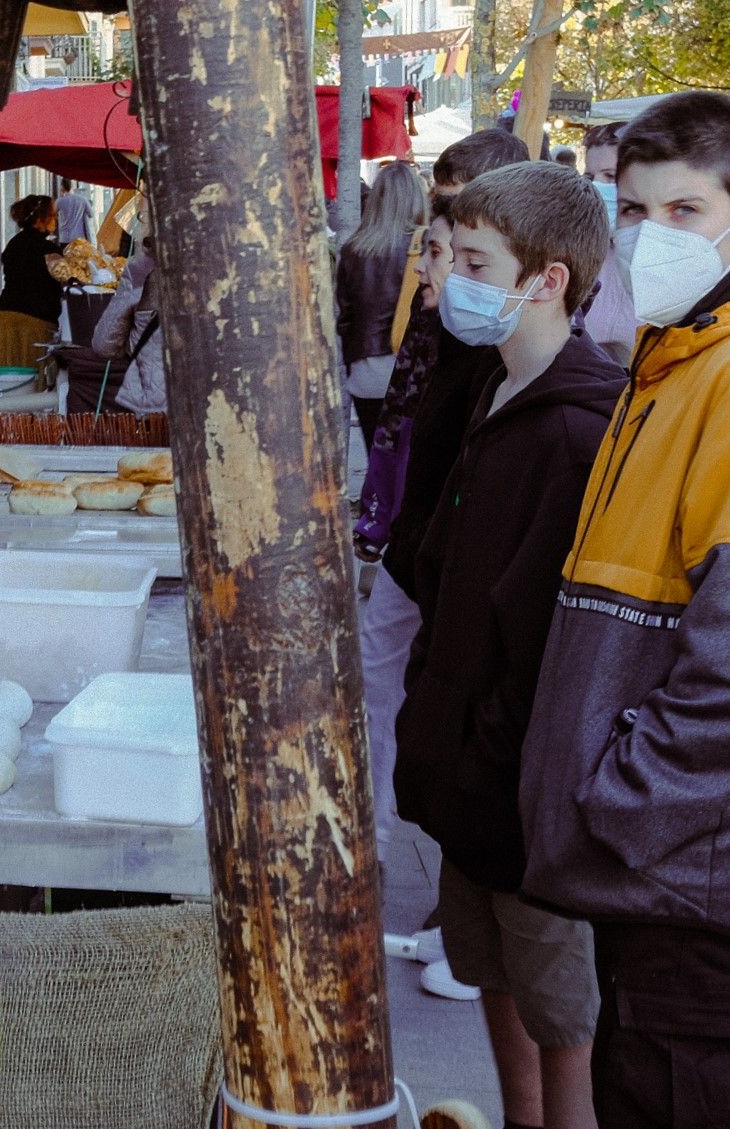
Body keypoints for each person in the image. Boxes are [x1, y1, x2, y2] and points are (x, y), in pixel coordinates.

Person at [519, 90, 730, 1126]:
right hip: (651, 879)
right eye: (632, 211)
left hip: (687, 886)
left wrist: (626, 805)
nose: (651, 238)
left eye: (683, 211)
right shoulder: (665, 361)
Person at [396, 161, 621, 1129]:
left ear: (546, 279)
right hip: (465, 778)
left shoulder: (577, 432)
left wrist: (490, 763)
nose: (446, 281)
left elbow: (544, 642)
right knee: (487, 971)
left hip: (526, 797)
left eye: (474, 260)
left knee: (560, 1012)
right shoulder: (486, 386)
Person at [355, 129, 532, 857]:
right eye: (435, 247)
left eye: (463, 251)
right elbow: (406, 431)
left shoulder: (513, 357)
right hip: (415, 542)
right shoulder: (446, 327)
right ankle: (385, 834)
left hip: (448, 557)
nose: (436, 267)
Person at [337, 162, 428, 449]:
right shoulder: (426, 245)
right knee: (407, 466)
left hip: (365, 372)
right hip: (411, 371)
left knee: (376, 460)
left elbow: (345, 317)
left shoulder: (353, 249)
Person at [91, 198, 165, 415]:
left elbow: (104, 344)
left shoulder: (140, 270)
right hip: (213, 402)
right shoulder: (223, 266)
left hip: (156, 403)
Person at [580, 123, 638, 366]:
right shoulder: (579, 245)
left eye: (610, 176)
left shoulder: (668, 254)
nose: (597, 187)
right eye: (590, 177)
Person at [0, 194, 63, 370]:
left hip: (5, 316)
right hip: (34, 320)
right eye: (53, 215)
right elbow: (65, 276)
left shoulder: (13, 244)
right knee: (32, 377)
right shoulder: (48, 250)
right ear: (40, 219)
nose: (56, 219)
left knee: (7, 375)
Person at [55, 178, 93, 245]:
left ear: (62, 186)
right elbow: (91, 214)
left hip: (64, 238)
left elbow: (52, 215)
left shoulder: (59, 201)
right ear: (72, 186)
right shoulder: (82, 199)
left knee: (66, 255)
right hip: (80, 238)